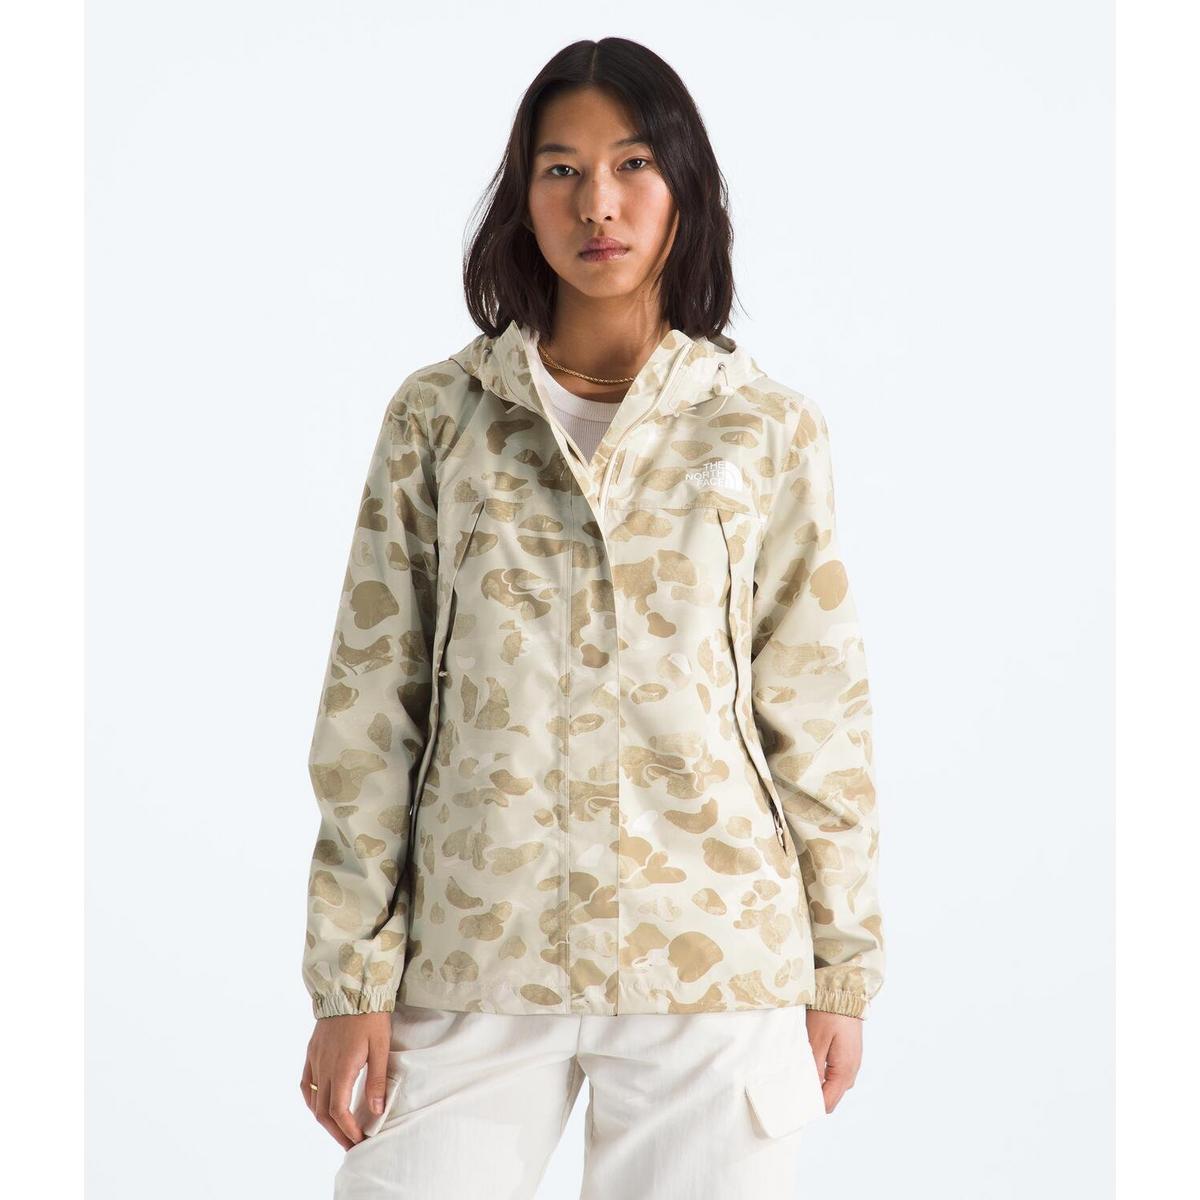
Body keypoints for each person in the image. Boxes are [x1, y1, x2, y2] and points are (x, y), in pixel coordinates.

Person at [299, 36, 886, 1200]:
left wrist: (840, 968)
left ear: (684, 187)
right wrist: (349, 978)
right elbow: (372, 706)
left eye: (631, 165)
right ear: (522, 199)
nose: (597, 203)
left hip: (712, 959)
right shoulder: (439, 419)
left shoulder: (767, 428)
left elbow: (816, 705)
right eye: (560, 169)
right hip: (477, 950)